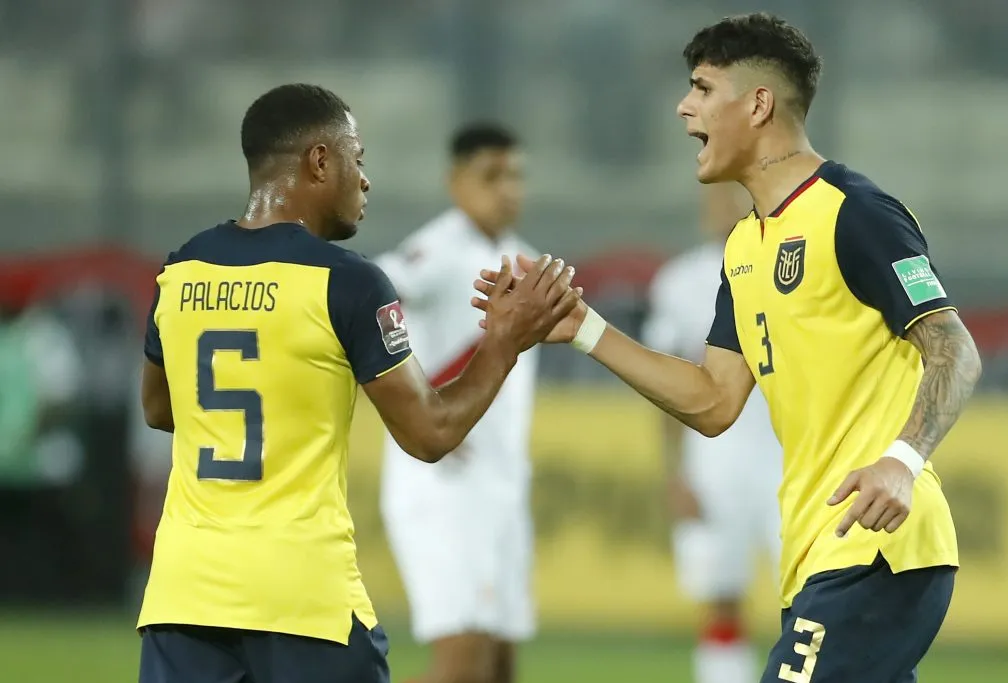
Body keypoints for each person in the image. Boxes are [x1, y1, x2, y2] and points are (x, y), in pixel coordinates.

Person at [472, 13, 983, 683]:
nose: (685, 107)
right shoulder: (745, 246)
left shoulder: (853, 211)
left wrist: (901, 460)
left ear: (759, 103)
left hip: (879, 549)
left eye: (703, 88)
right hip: (813, 555)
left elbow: (955, 347)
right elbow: (713, 400)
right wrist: (583, 326)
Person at [136, 83, 579, 683]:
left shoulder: (180, 269)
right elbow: (431, 433)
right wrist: (504, 340)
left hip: (182, 596)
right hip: (301, 596)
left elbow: (160, 409)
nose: (365, 180)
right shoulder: (346, 281)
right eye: (358, 158)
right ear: (321, 161)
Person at [376, 123, 537, 683]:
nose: (507, 188)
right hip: (445, 483)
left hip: (503, 482)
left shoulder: (525, 262)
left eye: (515, 175)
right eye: (491, 176)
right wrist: (414, 404)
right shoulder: (437, 251)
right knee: (463, 659)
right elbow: (375, 291)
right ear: (455, 182)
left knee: (499, 664)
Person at [642, 183, 781, 683]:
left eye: (729, 197)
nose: (717, 208)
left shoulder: (789, 263)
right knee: (719, 596)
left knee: (809, 595)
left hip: (789, 457)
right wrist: (675, 474)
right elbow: (665, 384)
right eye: (711, 199)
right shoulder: (679, 281)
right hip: (714, 461)